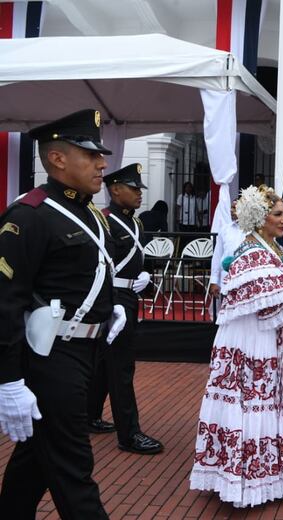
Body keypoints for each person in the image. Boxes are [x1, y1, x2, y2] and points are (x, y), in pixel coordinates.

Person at [0, 109, 126, 518]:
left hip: (87, 352)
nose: (102, 164)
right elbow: (5, 302)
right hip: (50, 359)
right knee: (74, 470)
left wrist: (114, 308)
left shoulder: (91, 214)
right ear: (57, 159)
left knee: (34, 462)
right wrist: (9, 382)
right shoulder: (28, 216)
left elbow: (91, 273)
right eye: (90, 155)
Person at [190, 185, 283, 507]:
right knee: (255, 403)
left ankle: (278, 469)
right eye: (277, 214)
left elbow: (279, 285)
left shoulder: (268, 249)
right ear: (259, 218)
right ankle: (249, 481)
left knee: (278, 402)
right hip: (255, 345)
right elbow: (265, 302)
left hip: (270, 341)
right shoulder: (252, 252)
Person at [87, 163, 163, 454]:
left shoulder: (135, 222)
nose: (139, 194)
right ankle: (129, 434)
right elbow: (101, 265)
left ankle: (90, 415)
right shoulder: (104, 220)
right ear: (115, 189)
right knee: (121, 367)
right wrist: (113, 299)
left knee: (107, 364)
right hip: (114, 298)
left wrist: (144, 277)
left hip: (130, 295)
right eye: (133, 189)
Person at [208, 198, 245, 300]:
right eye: (231, 207)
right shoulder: (225, 230)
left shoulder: (253, 231)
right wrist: (214, 281)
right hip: (226, 280)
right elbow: (217, 256)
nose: (231, 210)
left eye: (235, 208)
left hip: (246, 281)